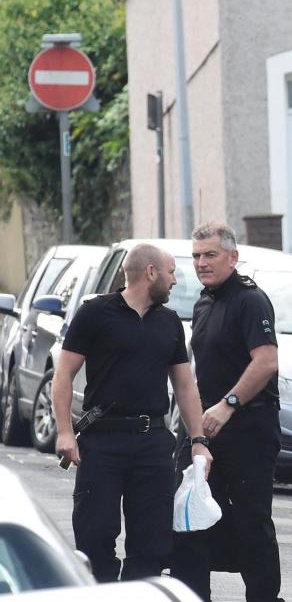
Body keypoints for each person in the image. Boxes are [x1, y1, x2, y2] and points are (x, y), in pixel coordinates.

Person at [52, 244, 212, 582]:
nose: (175, 282)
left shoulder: (169, 322)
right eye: (171, 272)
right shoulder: (95, 313)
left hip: (152, 442)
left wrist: (199, 439)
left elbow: (185, 385)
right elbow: (63, 374)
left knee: (152, 544)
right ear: (150, 272)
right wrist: (65, 431)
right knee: (94, 537)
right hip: (102, 441)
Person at [170, 222, 286, 602]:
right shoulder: (203, 303)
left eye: (210, 255)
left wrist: (229, 404)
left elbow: (266, 361)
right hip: (207, 432)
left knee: (251, 523)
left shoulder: (250, 300)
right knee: (190, 520)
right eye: (196, 256)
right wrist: (197, 426)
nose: (201, 263)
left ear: (232, 257)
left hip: (249, 429)